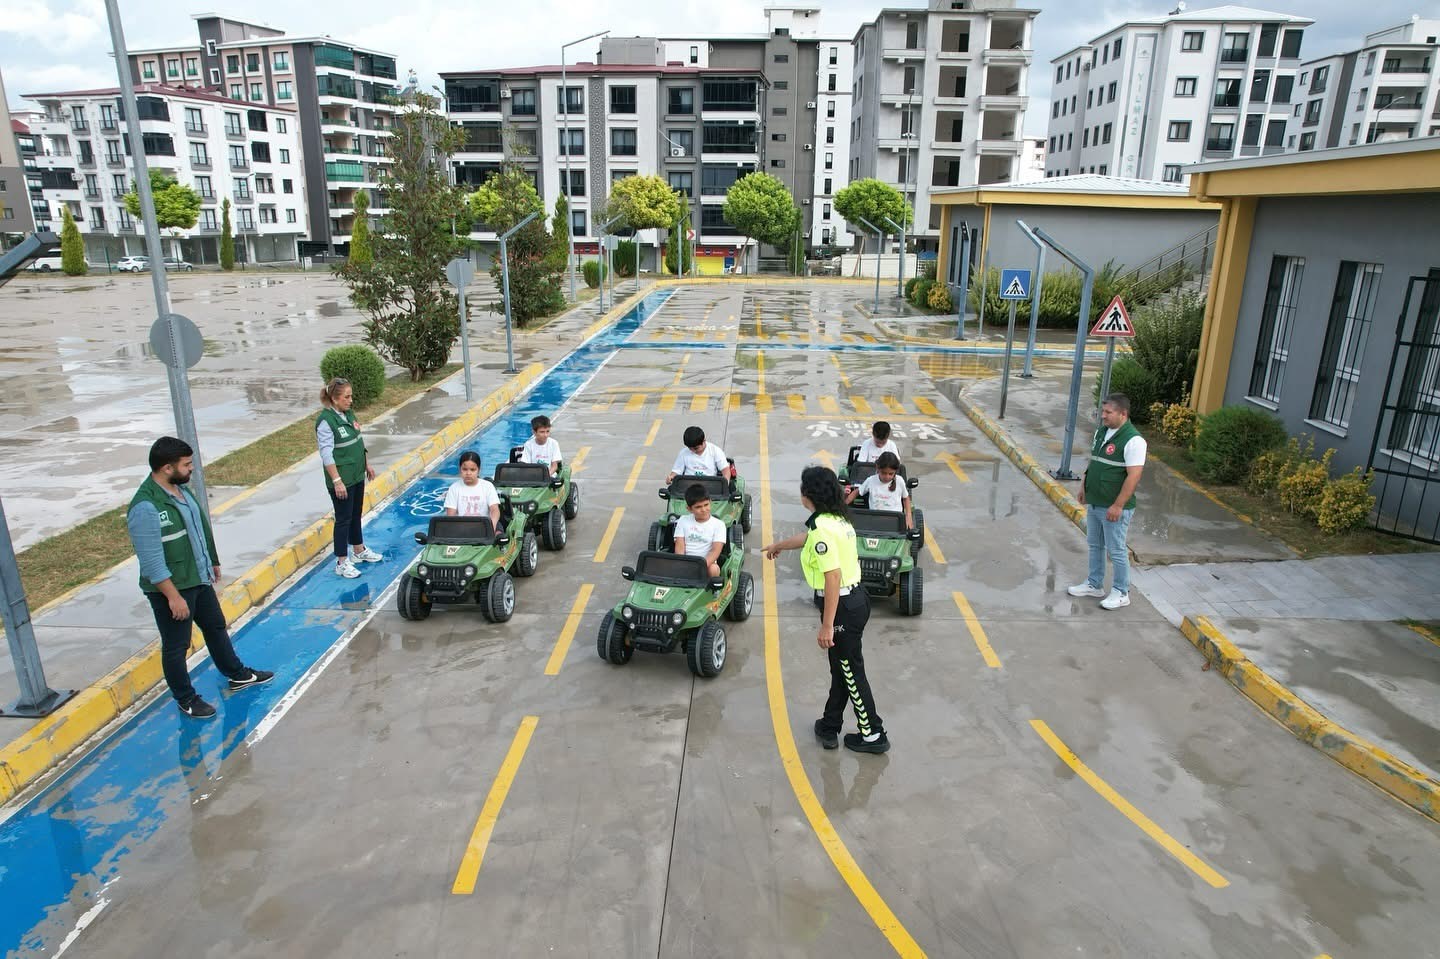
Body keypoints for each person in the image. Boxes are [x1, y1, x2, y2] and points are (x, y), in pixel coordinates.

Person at [126, 437, 273, 720]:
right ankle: (186, 698)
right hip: (173, 588)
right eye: (186, 464)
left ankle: (237, 674)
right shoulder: (146, 507)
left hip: (197, 577)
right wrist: (172, 596)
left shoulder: (180, 490)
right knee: (176, 645)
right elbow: (152, 560)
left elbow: (199, 527)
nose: (192, 469)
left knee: (215, 626)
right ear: (167, 468)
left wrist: (212, 560)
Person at [764, 466, 889, 754]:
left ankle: (872, 734)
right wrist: (779, 545)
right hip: (856, 600)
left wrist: (827, 625)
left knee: (850, 671)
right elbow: (808, 538)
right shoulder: (835, 519)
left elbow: (832, 576)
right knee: (842, 669)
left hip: (841, 606)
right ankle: (830, 724)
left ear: (808, 494)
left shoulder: (823, 528)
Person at [1068, 393, 1147, 611]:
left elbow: (1134, 476)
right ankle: (1094, 584)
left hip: (1114, 508)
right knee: (1095, 544)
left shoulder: (1134, 440)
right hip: (1095, 502)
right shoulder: (1102, 432)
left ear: (1123, 414)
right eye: (1102, 412)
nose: (1103, 416)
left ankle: (1121, 592)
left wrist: (1118, 505)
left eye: (1108, 412)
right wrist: (1084, 487)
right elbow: (1094, 461)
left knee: (1117, 550)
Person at [317, 377, 381, 579]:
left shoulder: (348, 414)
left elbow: (357, 441)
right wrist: (337, 481)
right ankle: (342, 562)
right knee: (343, 519)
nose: (350, 400)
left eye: (350, 396)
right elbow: (327, 454)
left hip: (356, 475)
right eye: (347, 396)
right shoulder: (326, 422)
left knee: (355, 514)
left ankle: (359, 550)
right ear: (335, 399)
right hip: (342, 481)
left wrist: (366, 464)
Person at [845, 451, 913, 529]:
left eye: (891, 474)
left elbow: (906, 498)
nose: (887, 476)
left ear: (895, 471)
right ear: (877, 468)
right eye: (883, 473)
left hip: (895, 522)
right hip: (874, 520)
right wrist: (844, 504)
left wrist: (908, 516)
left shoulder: (899, 481)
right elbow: (857, 492)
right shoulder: (871, 480)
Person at [673, 483, 726, 577]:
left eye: (706, 505)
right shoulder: (683, 520)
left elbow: (715, 551)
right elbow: (680, 548)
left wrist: (700, 566)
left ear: (710, 502)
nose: (704, 509)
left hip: (707, 563)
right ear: (689, 509)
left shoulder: (719, 525)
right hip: (686, 562)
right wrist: (682, 565)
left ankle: (714, 591)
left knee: (714, 569)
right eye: (698, 507)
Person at [444, 451, 500, 526]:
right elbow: (451, 515)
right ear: (460, 469)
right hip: (461, 527)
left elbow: (494, 510)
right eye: (465, 469)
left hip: (484, 527)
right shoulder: (454, 488)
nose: (468, 473)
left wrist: (492, 527)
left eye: (472, 470)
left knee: (499, 531)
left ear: (478, 470)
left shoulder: (488, 487)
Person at [666, 425, 735, 485]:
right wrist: (671, 478)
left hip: (710, 485)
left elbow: (725, 470)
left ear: (704, 440)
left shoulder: (715, 451)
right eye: (690, 448)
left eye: (696, 448)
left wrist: (725, 484)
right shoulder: (683, 453)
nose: (693, 451)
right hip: (688, 486)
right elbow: (676, 471)